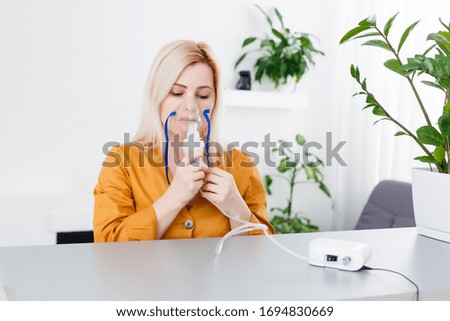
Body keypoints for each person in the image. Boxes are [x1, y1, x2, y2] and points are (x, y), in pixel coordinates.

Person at [93, 40, 274, 242]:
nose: (190, 107)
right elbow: (107, 247)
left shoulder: (241, 165)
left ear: (215, 102)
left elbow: (262, 255)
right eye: (177, 93)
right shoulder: (121, 163)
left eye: (203, 95)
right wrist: (173, 199)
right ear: (157, 96)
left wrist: (238, 212)